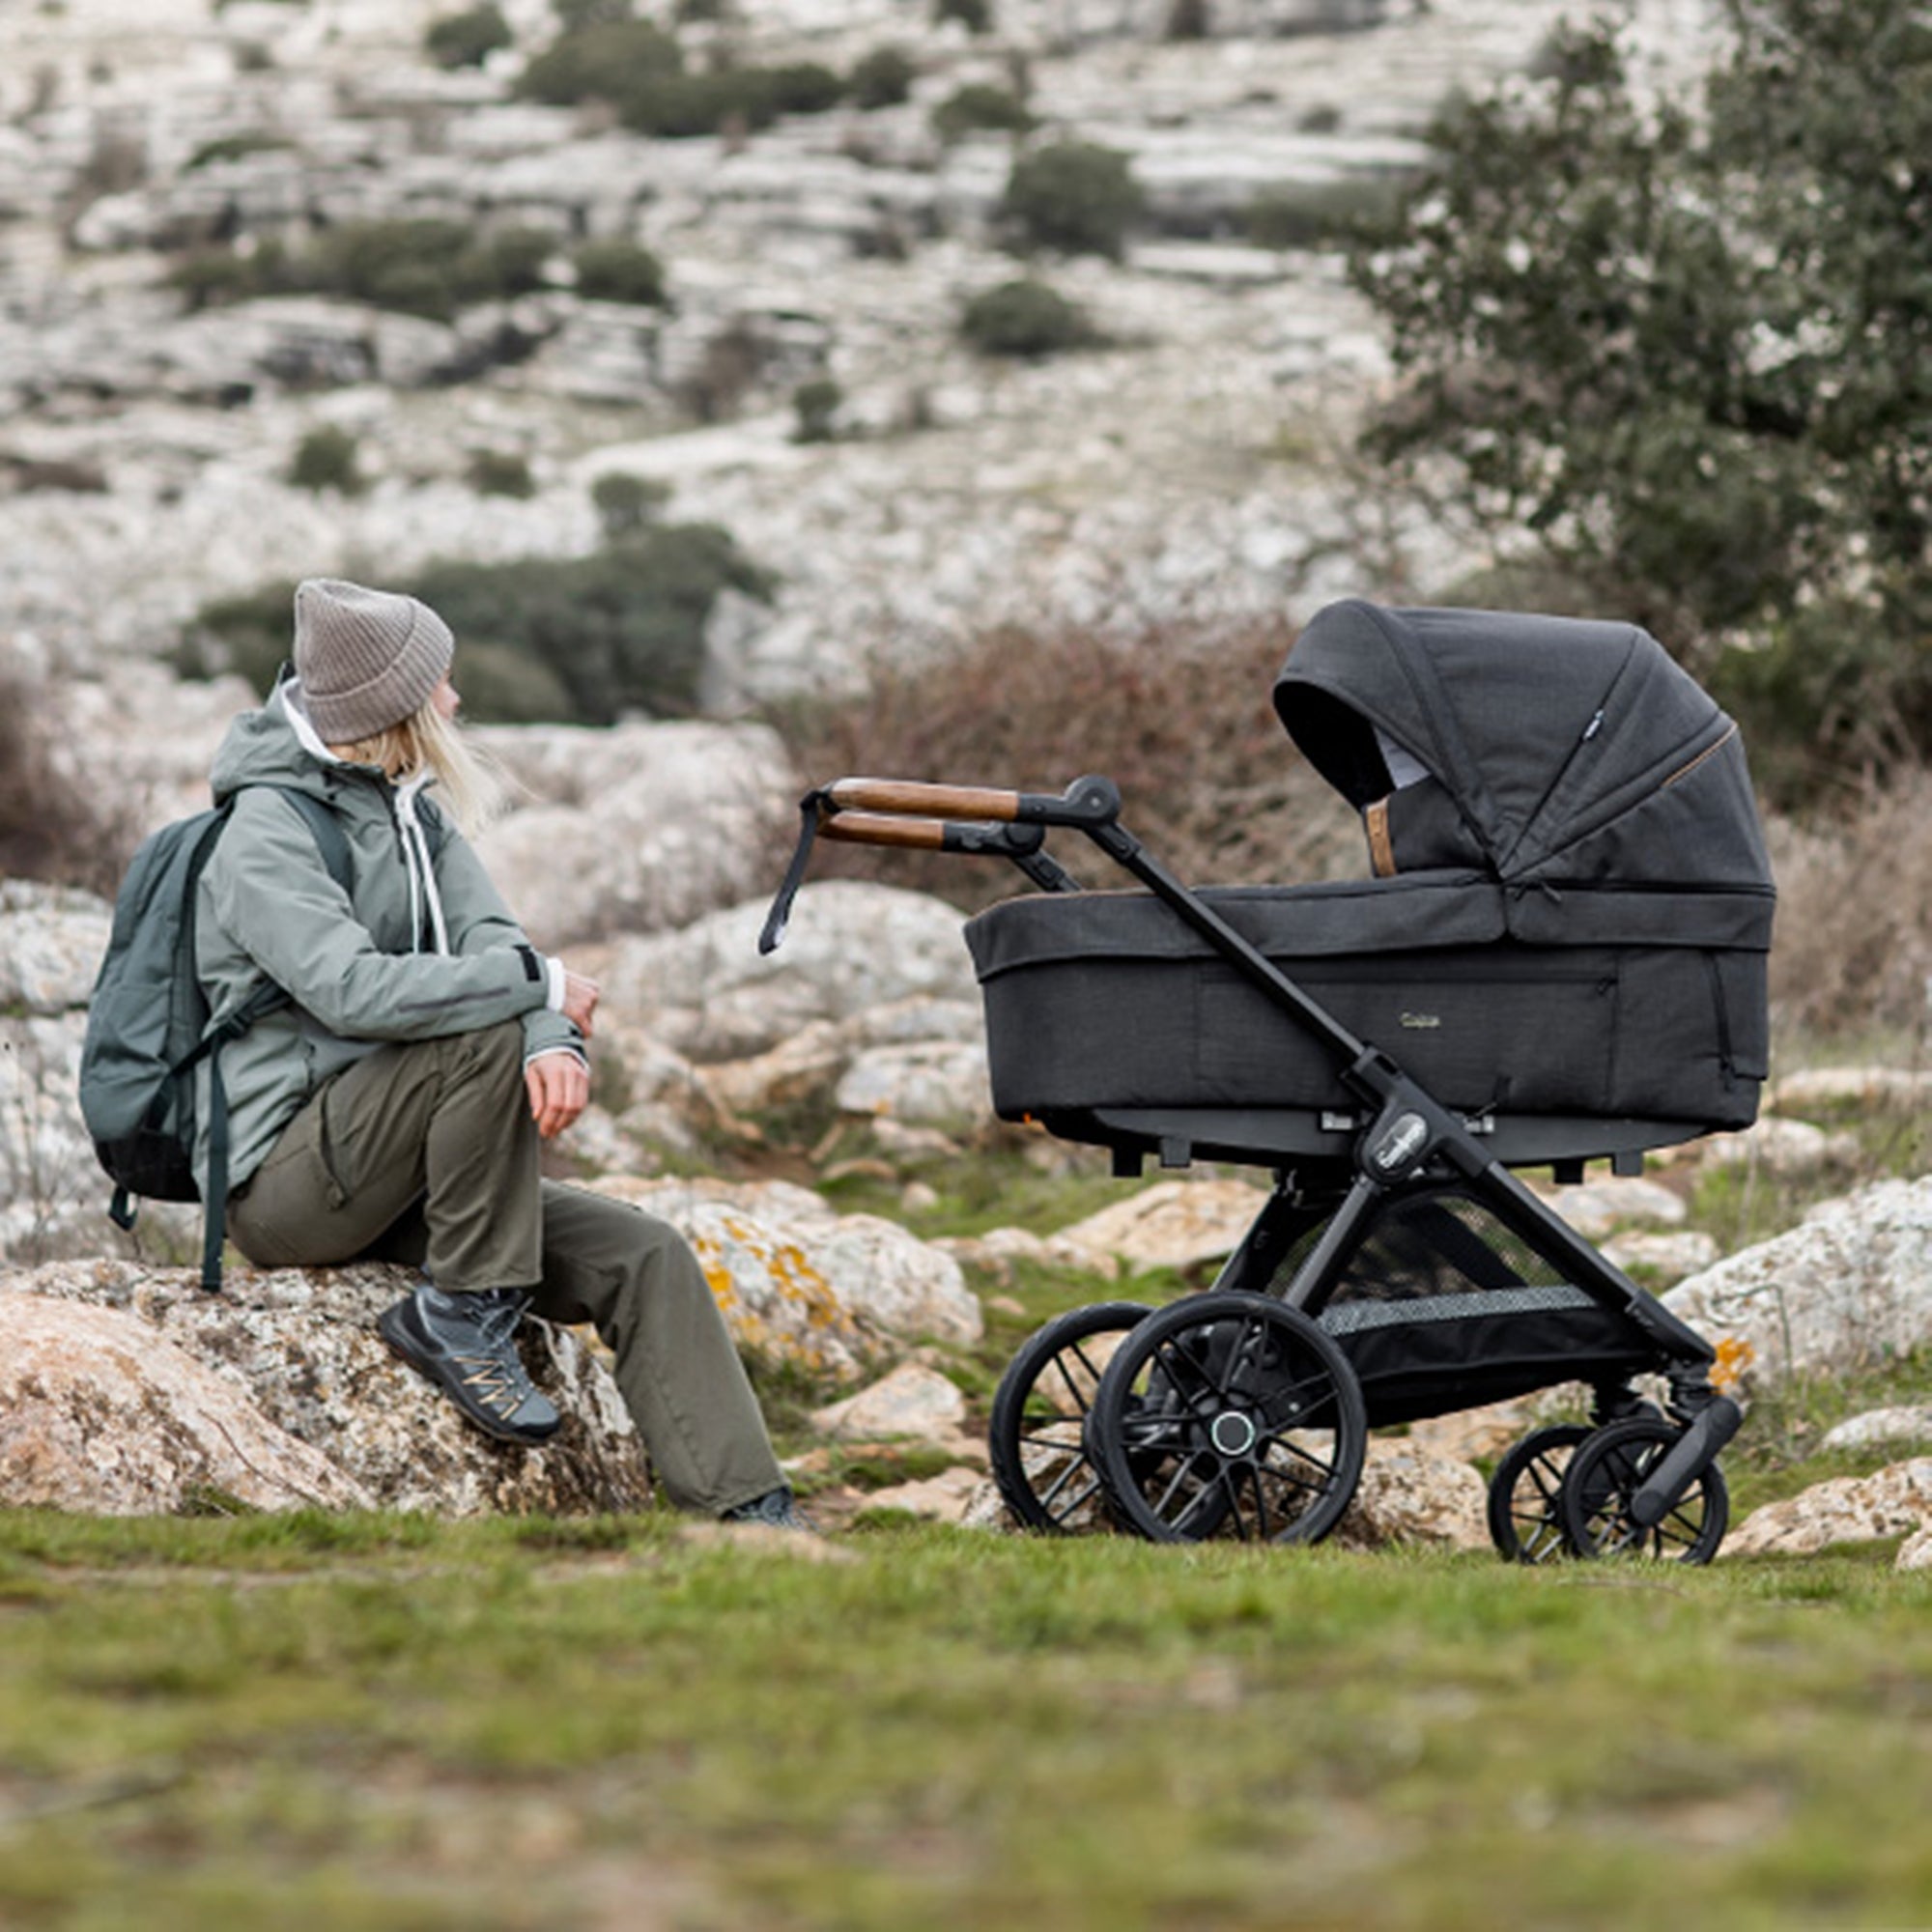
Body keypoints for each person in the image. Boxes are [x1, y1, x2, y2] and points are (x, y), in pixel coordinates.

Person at [192, 577, 810, 1531]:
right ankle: (464, 1308)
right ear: (392, 705)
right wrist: (534, 997)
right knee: (484, 1024)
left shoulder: (411, 812)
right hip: (287, 1186)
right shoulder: (265, 831)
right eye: (437, 681)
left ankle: (751, 1514)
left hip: (399, 1170)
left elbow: (500, 945)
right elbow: (352, 989)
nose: (453, 699)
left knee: (644, 1255)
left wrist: (548, 1033)